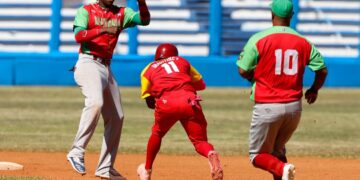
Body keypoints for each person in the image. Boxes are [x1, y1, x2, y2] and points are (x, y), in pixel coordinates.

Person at [236, 0, 328, 180]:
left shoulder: (259, 39)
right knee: (277, 151)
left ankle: (283, 169)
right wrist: (314, 89)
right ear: (291, 16)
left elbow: (242, 69)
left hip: (267, 106)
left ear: (271, 14)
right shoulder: (303, 41)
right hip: (294, 108)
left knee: (257, 156)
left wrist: (252, 77)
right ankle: (283, 170)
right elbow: (322, 70)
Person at [66, 0, 150, 179]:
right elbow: (79, 36)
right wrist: (101, 30)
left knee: (117, 117)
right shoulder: (86, 11)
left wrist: (141, 3)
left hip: (106, 67)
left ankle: (105, 167)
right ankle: (76, 151)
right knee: (95, 102)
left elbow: (144, 20)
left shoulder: (122, 13)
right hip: (88, 62)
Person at [136, 43, 224, 180]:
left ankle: (147, 170)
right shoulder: (182, 61)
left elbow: (149, 102)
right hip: (189, 100)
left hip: (166, 103)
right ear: (174, 54)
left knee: (157, 133)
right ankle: (210, 153)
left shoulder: (147, 69)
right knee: (200, 141)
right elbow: (201, 84)